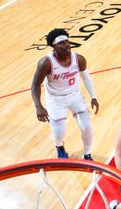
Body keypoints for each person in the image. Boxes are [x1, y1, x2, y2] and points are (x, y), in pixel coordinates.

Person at [30, 28, 99, 159]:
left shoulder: (79, 59)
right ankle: (60, 147)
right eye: (61, 43)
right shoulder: (45, 62)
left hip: (74, 96)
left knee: (87, 127)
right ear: (53, 47)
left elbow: (86, 78)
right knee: (59, 133)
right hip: (55, 99)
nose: (66, 44)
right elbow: (35, 85)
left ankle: (87, 154)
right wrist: (38, 106)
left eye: (67, 41)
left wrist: (93, 97)